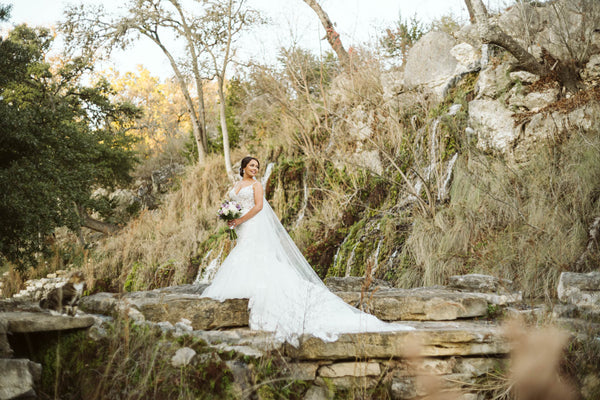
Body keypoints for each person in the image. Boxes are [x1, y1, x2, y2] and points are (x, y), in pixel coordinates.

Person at [201, 156, 413, 346]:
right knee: (244, 253)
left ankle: (263, 289)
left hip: (252, 223)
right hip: (241, 225)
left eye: (257, 166)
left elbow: (258, 207)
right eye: (252, 165)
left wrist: (239, 219)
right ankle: (246, 285)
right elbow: (231, 202)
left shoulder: (257, 186)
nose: (255, 168)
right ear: (244, 167)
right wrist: (230, 217)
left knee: (256, 254)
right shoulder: (238, 185)